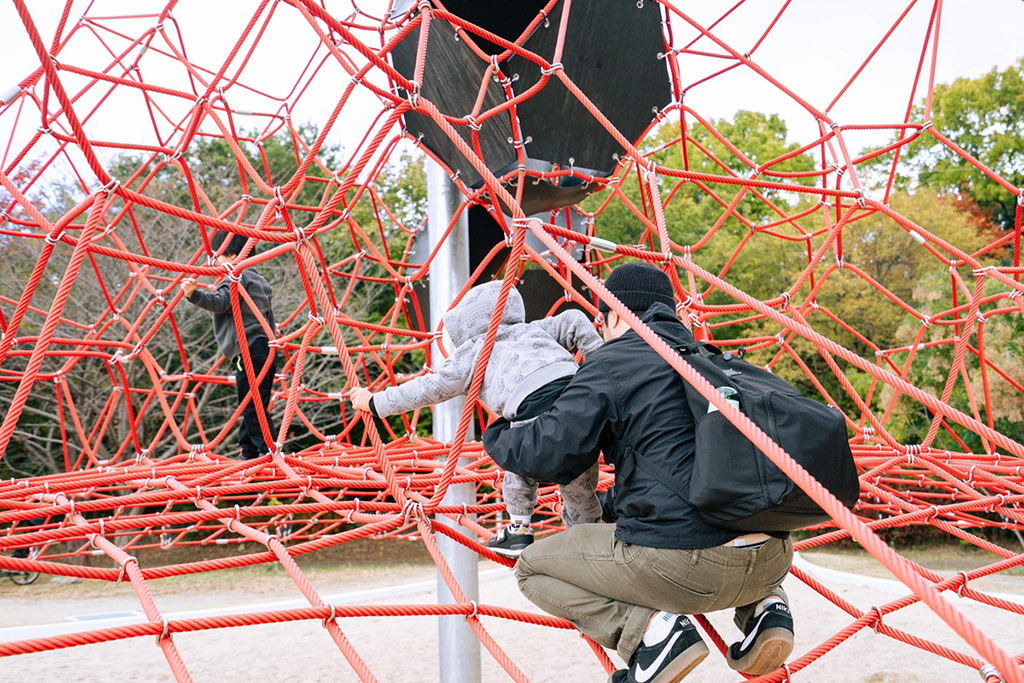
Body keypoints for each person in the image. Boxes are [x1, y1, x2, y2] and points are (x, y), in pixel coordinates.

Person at [483, 262, 794, 683]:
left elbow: (548, 455)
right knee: (720, 514)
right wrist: (608, 505)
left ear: (613, 315)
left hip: (689, 569)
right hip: (773, 559)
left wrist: (498, 429)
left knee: (533, 568)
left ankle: (653, 633)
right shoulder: (707, 357)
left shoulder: (614, 362)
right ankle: (767, 609)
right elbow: (680, 467)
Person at [350, 280, 603, 556]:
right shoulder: (534, 329)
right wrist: (599, 365)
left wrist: (374, 402)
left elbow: (427, 389)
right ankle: (587, 540)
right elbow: (574, 319)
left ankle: (519, 528)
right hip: (581, 407)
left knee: (511, 446)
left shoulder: (472, 351)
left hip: (533, 419)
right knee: (579, 479)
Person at [183, 230, 278, 460]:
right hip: (266, 347)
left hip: (248, 349)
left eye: (219, 255)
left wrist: (193, 295)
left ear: (233, 255)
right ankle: (250, 451)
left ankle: (269, 450)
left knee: (250, 404)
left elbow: (221, 302)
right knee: (255, 403)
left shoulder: (237, 276)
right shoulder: (259, 279)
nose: (215, 260)